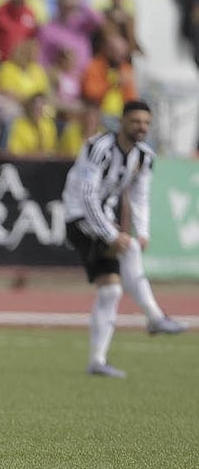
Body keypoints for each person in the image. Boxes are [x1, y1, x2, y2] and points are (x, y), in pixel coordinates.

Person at [62, 100, 185, 379]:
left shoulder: (144, 156)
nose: (141, 127)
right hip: (79, 217)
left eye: (146, 123)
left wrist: (143, 231)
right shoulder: (98, 147)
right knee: (128, 249)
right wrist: (110, 234)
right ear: (122, 122)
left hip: (104, 220)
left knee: (111, 291)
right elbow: (87, 195)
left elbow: (140, 196)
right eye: (136, 122)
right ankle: (155, 317)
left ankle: (97, 361)